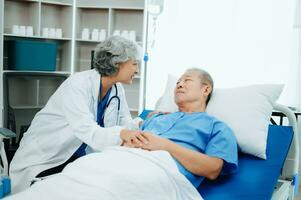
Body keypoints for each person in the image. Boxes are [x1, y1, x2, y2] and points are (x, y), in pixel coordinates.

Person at [6, 68, 238, 200]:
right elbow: (124, 132)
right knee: (63, 184)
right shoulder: (158, 118)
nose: (179, 84)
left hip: (154, 170)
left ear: (205, 89)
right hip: (110, 161)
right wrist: (141, 125)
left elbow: (212, 169)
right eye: (177, 81)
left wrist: (164, 144)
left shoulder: (216, 127)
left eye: (186, 80)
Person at [9, 36, 148, 194]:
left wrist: (143, 122)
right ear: (117, 63)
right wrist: (122, 133)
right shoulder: (78, 84)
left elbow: (125, 123)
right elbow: (88, 131)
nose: (137, 71)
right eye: (135, 64)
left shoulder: (116, 89)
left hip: (77, 159)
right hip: (48, 158)